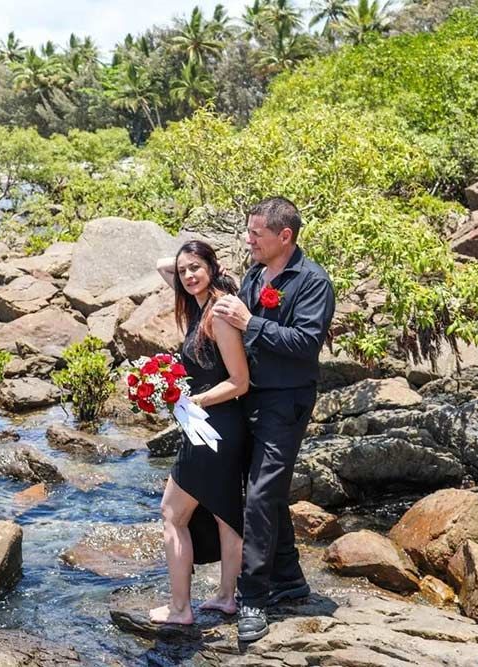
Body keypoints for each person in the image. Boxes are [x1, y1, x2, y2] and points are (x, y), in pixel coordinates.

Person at [213, 197, 335, 642]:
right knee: (268, 493)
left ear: (285, 236)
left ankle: (253, 599)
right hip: (249, 398)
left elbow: (304, 342)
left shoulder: (313, 282)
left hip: (287, 402)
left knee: (260, 497)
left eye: (256, 234)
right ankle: (289, 579)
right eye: (248, 232)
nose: (248, 239)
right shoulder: (252, 274)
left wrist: (250, 323)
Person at [150, 240, 250, 625]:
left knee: (172, 514)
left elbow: (240, 381)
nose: (187, 275)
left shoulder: (220, 314)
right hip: (215, 425)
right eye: (185, 270)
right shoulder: (200, 304)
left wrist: (196, 401)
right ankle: (227, 596)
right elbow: (164, 265)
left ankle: (180, 609)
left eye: (196, 267)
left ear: (213, 266)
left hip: (213, 428)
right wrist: (199, 268)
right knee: (226, 515)